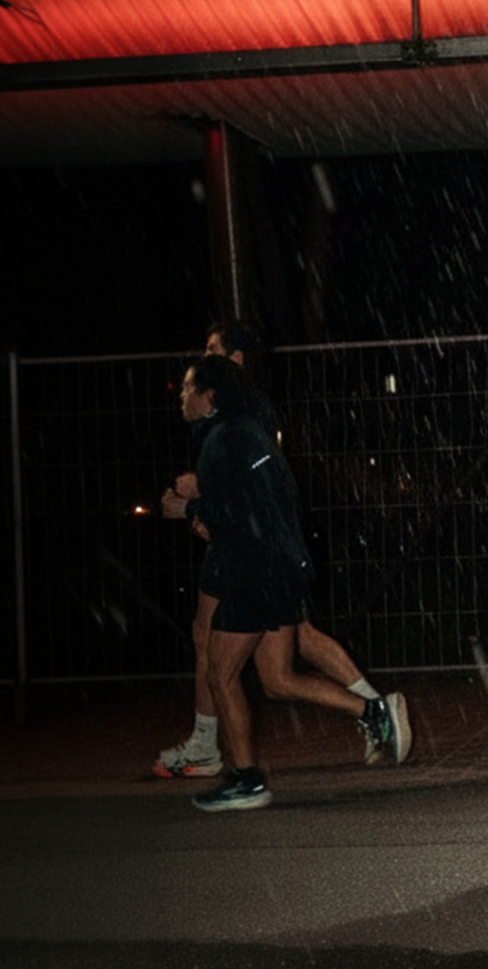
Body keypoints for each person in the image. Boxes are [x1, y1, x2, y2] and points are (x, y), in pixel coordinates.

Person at [154, 322, 389, 777]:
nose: (203, 357)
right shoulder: (228, 423)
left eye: (212, 350)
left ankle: (230, 764)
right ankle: (373, 710)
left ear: (234, 361)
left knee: (227, 663)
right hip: (261, 552)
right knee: (275, 672)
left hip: (255, 556)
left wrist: (197, 503)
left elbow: (254, 488)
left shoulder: (240, 420)